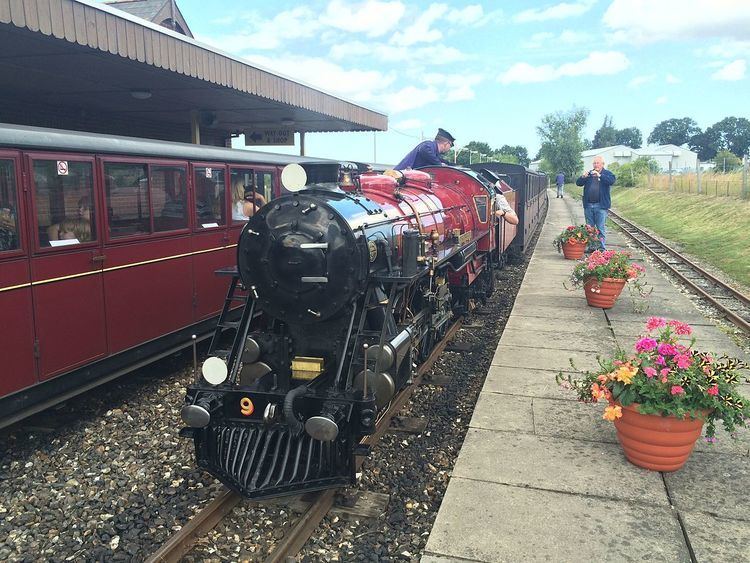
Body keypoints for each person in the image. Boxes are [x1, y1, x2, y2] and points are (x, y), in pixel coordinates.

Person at [576, 155, 616, 251]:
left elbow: (611, 181)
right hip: (588, 205)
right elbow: (578, 183)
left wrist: (600, 176)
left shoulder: (607, 174)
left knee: (600, 228)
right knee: (590, 228)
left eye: (598, 163)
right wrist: (583, 177)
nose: (596, 165)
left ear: (602, 164)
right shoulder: (589, 174)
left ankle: (602, 248)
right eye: (594, 163)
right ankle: (592, 247)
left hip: (601, 206)